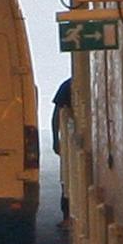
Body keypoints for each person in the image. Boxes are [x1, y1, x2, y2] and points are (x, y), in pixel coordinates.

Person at [51, 76, 73, 223]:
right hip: (70, 140)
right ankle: (66, 215)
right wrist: (55, 138)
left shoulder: (67, 85)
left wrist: (55, 139)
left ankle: (66, 217)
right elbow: (57, 115)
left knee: (67, 177)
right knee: (67, 177)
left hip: (71, 141)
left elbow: (56, 115)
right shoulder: (68, 86)